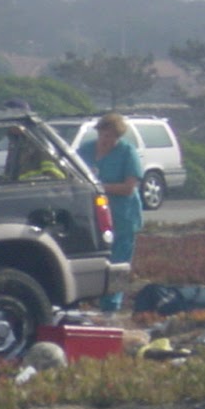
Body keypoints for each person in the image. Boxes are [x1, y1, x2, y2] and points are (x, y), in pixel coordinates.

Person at [80, 113, 143, 311]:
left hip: (122, 217)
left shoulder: (127, 152)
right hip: (93, 217)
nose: (106, 140)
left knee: (118, 264)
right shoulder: (86, 150)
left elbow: (129, 187)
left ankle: (111, 308)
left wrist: (99, 188)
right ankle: (91, 301)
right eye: (103, 134)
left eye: (111, 136)